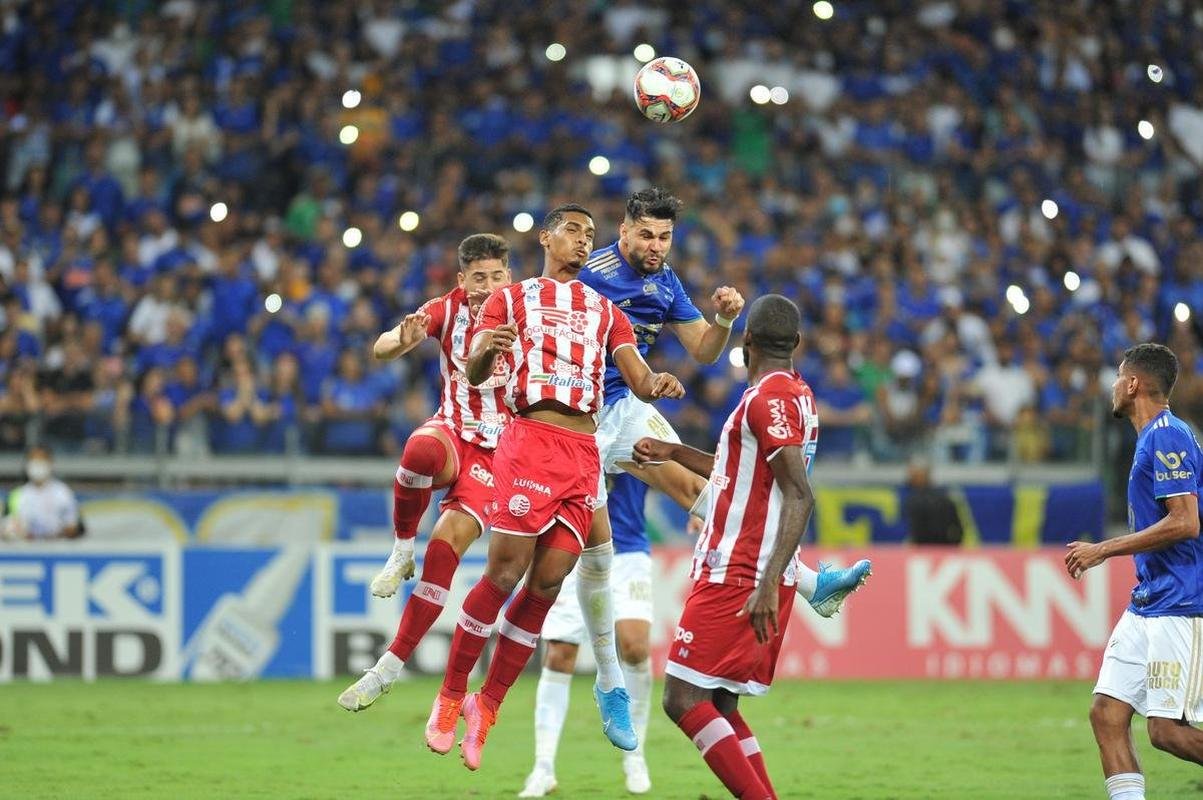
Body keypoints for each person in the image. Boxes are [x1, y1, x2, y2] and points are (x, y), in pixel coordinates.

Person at [520, 187, 870, 798]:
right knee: (580, 554)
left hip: (625, 407)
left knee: (704, 487)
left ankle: (815, 585)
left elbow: (704, 351)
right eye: (647, 237)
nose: (656, 248)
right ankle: (607, 685)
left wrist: (726, 319)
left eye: (665, 238)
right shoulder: (592, 275)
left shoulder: (665, 283)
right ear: (623, 233)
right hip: (572, 418)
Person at [426, 204, 685, 771]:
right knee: (503, 573)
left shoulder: (604, 310)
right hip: (528, 443)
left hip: (582, 454)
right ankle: (449, 696)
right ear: (545, 238)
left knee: (545, 587)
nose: (581, 239)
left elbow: (637, 378)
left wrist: (658, 382)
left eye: (589, 233)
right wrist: (483, 352)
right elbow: (473, 373)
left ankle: (486, 705)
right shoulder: (510, 299)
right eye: (572, 229)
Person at [632, 294, 820, 800]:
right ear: (797, 344)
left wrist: (765, 583)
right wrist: (673, 452)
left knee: (682, 698)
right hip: (748, 567)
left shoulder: (766, 400)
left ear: (746, 343)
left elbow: (800, 493)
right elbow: (739, 468)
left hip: (740, 569)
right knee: (720, 701)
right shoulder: (794, 394)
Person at [336, 233, 513, 711]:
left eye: (497, 276)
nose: (488, 286)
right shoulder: (447, 308)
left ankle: (386, 669)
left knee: (444, 555)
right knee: (418, 450)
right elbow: (381, 346)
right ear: (462, 279)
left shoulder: (527, 311)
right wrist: (401, 342)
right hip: (454, 431)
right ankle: (400, 551)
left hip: (497, 458)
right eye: (479, 277)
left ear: (509, 276)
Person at [1065, 343, 1203, 800]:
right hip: (1148, 602)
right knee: (1107, 713)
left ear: (1133, 384)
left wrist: (1103, 549)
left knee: (1166, 731)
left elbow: (1186, 522)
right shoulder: (1152, 438)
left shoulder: (1168, 434)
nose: (1112, 386)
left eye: (1117, 377)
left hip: (1180, 603)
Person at [4, 445, 82, 540]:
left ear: (50, 462)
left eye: (41, 460)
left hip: (56, 550)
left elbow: (74, 528)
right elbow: (7, 529)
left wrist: (55, 534)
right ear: (27, 464)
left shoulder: (63, 492)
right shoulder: (16, 495)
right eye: (34, 460)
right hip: (25, 550)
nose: (37, 465)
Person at [902, 456, 963, 545]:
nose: (909, 477)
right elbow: (958, 531)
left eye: (912, 474)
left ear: (922, 475)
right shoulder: (945, 497)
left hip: (924, 551)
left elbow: (918, 533)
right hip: (944, 550)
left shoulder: (914, 501)